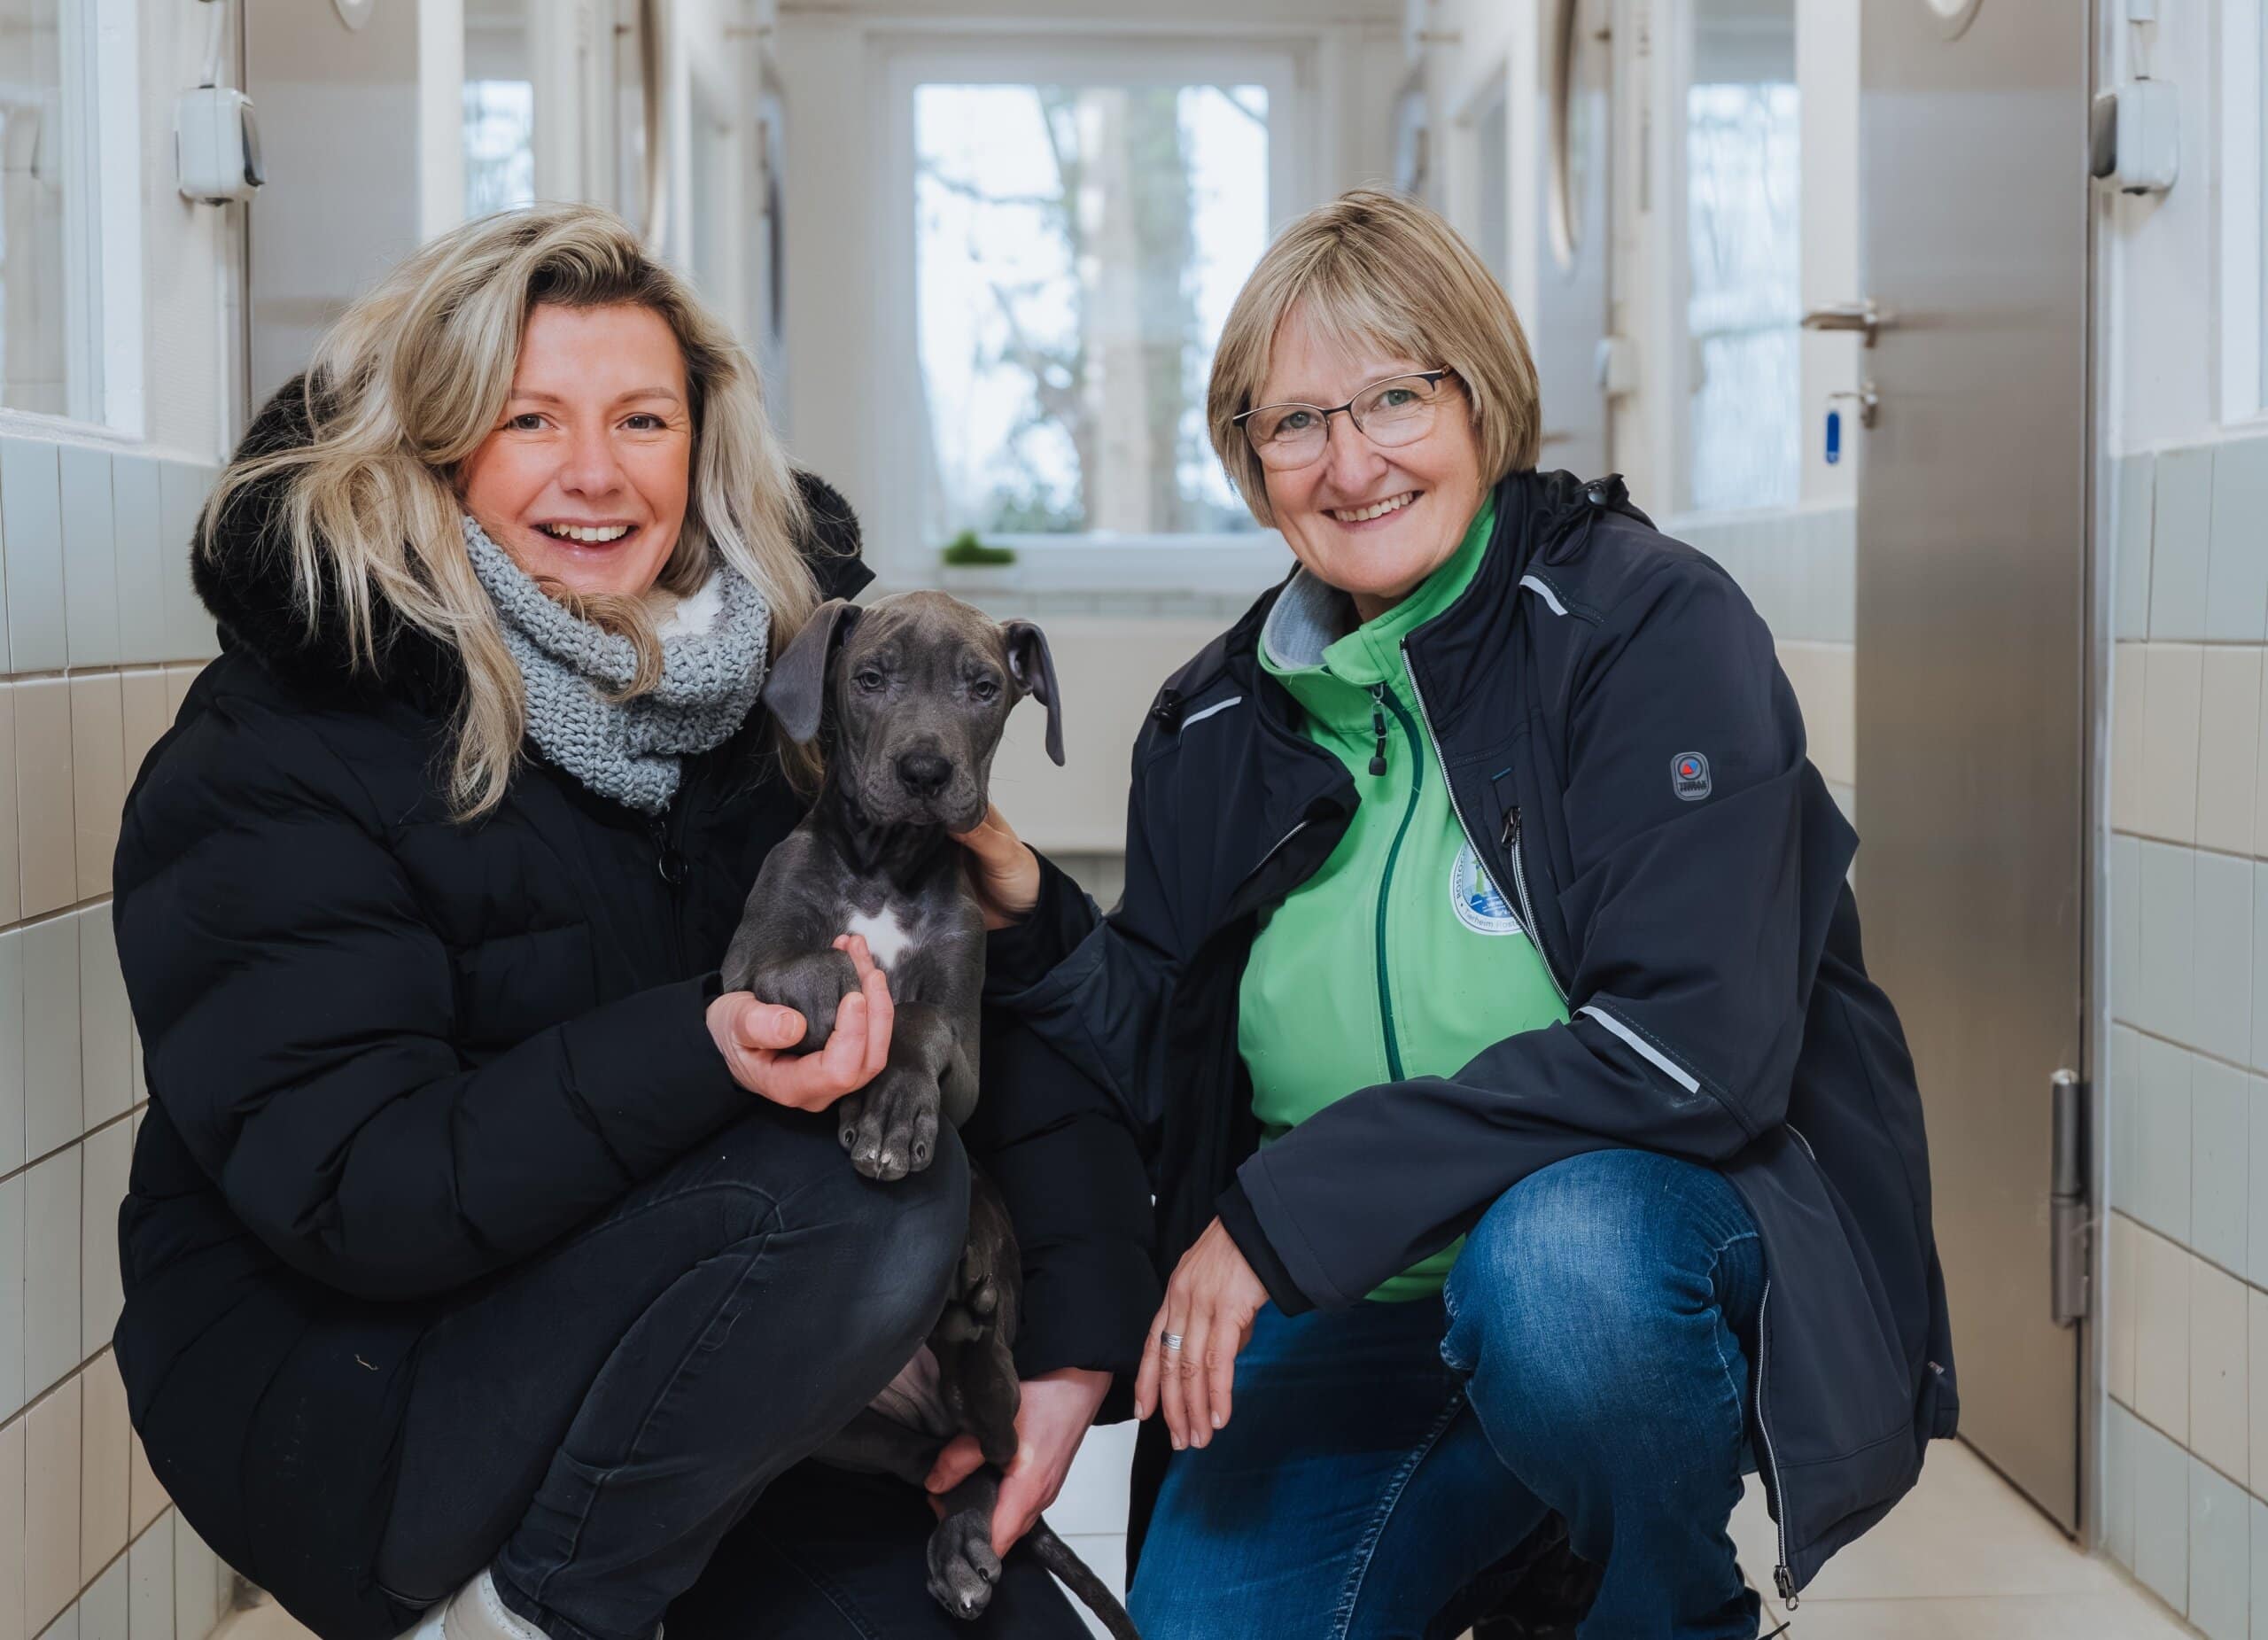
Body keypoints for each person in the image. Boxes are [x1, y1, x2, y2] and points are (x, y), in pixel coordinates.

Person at [110, 204, 1155, 1640]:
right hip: (364, 1395)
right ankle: (530, 1613)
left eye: (643, 421)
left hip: (739, 1364)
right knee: (871, 1189)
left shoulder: (800, 695)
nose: (596, 475)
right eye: (529, 419)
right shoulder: (282, 742)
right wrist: (703, 1049)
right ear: (433, 440)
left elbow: (998, 1028)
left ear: (701, 445)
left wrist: (1072, 1350)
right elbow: (357, 1187)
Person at [951, 188, 1958, 1639]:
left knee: (1558, 1276)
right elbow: (1165, 1059)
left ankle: (1656, 1605)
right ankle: (1504, 1543)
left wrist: (1292, 1208)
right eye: (1295, 423)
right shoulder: (1212, 722)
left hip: (1627, 1267)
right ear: (1249, 459)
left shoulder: (1647, 629)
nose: (1350, 462)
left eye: (1395, 398)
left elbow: (1695, 1051)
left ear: (1479, 398)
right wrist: (1036, 919)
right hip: (1351, 1306)